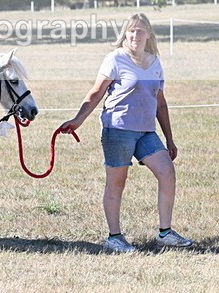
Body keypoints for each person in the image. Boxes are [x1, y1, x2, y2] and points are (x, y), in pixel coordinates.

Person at [59, 13, 193, 252]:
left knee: (167, 172)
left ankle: (165, 232)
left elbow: (160, 103)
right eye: (131, 31)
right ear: (125, 34)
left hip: (146, 132)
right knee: (117, 182)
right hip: (118, 130)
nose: (135, 35)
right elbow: (96, 93)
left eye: (140, 31)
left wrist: (169, 138)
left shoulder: (155, 63)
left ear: (148, 34)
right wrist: (78, 120)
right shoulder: (115, 59)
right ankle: (114, 237)